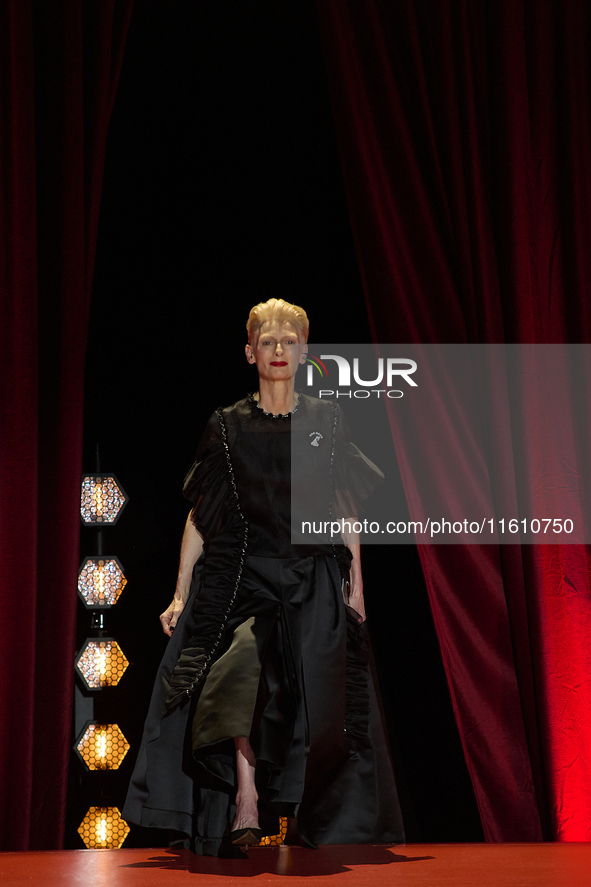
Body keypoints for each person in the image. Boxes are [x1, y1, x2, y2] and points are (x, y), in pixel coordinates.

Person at [122, 299, 404, 856]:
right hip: (244, 576)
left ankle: (301, 813)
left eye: (289, 340)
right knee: (237, 673)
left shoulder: (327, 419)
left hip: (310, 575)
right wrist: (180, 593)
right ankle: (246, 803)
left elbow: (346, 509)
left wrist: (359, 590)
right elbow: (202, 515)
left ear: (304, 352)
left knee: (309, 689)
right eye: (268, 341)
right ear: (250, 351)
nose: (279, 350)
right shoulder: (228, 425)